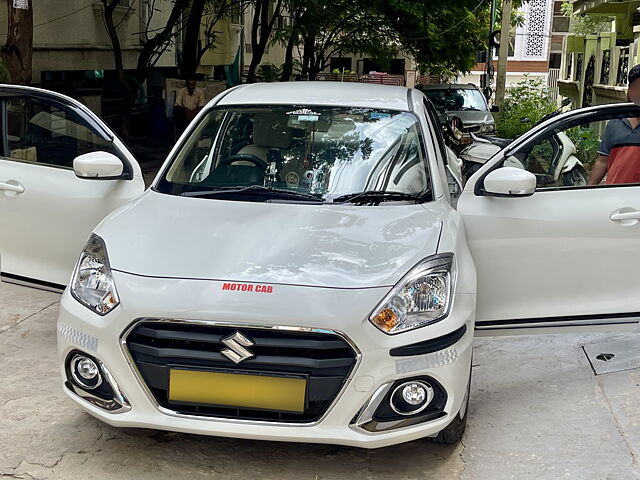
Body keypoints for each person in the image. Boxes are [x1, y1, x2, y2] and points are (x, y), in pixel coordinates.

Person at [588, 64, 640, 185]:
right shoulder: (615, 122)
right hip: (615, 195)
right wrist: (588, 190)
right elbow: (602, 160)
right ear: (629, 90)